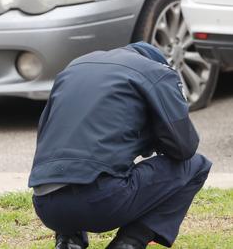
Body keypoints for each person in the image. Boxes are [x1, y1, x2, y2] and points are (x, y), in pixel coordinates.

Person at [28, 42, 212, 249]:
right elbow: (184, 147)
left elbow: (49, 137)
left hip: (46, 207)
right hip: (103, 203)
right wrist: (152, 135)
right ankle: (129, 243)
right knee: (196, 165)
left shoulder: (74, 68)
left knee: (73, 158)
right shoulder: (156, 72)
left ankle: (69, 241)